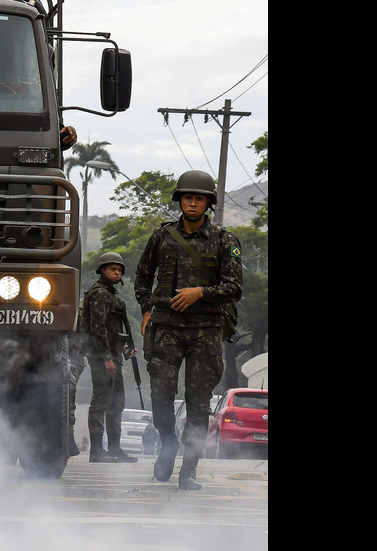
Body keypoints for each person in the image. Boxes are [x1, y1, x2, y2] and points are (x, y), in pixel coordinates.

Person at [133, 170, 243, 490]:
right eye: (187, 197)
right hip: (166, 326)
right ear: (179, 200)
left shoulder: (225, 240)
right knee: (160, 395)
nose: (193, 202)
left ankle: (189, 469)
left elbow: (234, 288)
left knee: (198, 402)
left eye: (199, 198)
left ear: (208, 203)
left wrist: (200, 292)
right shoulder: (161, 236)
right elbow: (142, 278)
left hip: (206, 329)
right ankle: (168, 442)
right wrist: (146, 309)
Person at [79, 252, 138, 463]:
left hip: (113, 355)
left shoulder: (111, 294)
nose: (117, 272)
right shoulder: (100, 293)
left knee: (117, 402)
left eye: (119, 269)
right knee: (101, 401)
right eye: (113, 269)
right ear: (102, 270)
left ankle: (114, 449)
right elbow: (97, 328)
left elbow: (112, 330)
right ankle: (96, 451)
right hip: (102, 356)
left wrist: (123, 349)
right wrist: (105, 357)